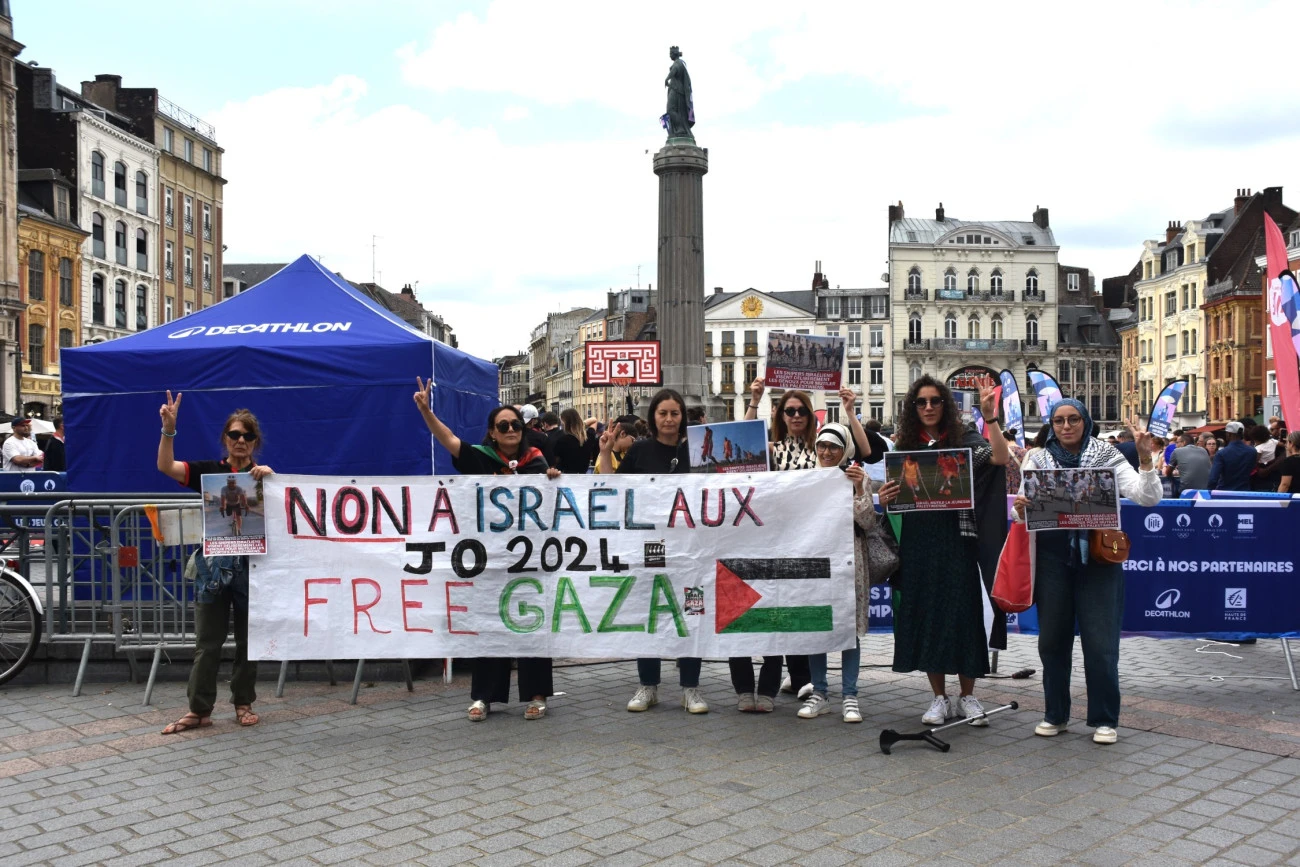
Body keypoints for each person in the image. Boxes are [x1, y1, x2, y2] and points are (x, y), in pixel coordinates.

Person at [1014, 404, 1161, 745]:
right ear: (1051, 425)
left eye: (1073, 419)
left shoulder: (1106, 455)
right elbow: (1022, 514)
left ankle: (1105, 718)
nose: (1066, 426)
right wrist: (1020, 509)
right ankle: (1056, 714)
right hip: (1053, 558)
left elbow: (1148, 497)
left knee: (1101, 643)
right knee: (1052, 641)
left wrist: (1145, 459)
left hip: (1099, 559)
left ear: (1085, 422)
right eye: (1059, 420)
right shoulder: (1037, 459)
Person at [416, 380, 558, 721]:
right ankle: (483, 696)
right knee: (488, 624)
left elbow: (553, 507)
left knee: (532, 624)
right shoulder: (479, 460)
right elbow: (450, 440)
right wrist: (426, 411)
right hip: (489, 559)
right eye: (503, 426)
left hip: (529, 559)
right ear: (492, 433)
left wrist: (555, 480)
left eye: (515, 425)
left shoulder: (537, 463)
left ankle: (536, 695)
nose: (511, 430)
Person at [877, 376, 1008, 727]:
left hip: (958, 538)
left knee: (963, 615)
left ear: (945, 404)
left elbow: (1000, 456)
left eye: (935, 401)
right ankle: (939, 697)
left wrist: (989, 417)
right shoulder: (904, 445)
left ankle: (968, 696)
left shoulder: (964, 439)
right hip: (919, 541)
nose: (929, 407)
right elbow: (893, 497)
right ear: (913, 408)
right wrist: (884, 498)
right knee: (927, 615)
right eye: (921, 402)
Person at [157, 394, 271, 733]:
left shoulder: (264, 477)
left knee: (249, 641)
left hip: (252, 568)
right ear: (225, 438)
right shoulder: (209, 472)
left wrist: (273, 479)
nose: (240, 441)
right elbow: (166, 466)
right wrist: (169, 430)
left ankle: (243, 702)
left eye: (247, 436)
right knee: (207, 642)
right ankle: (199, 708)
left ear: (255, 442)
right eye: (234, 435)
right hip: (213, 570)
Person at [600, 389, 707, 713]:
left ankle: (691, 688)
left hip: (691, 547)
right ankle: (648, 685)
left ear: (683, 417)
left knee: (692, 611)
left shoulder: (700, 450)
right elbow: (614, 490)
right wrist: (605, 454)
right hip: (652, 545)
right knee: (649, 612)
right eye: (663, 414)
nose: (669, 420)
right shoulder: (641, 450)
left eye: (675, 413)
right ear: (653, 417)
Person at [798, 423, 876, 723]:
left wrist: (858, 488)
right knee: (816, 627)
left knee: (849, 630)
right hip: (816, 562)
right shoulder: (807, 479)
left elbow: (867, 521)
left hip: (849, 562)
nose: (826, 452)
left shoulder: (858, 477)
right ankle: (820, 692)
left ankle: (850, 695)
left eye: (834, 446)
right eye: (822, 446)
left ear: (846, 449)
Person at [1208, 421, 1256, 492]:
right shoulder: (1252, 451)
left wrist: (1209, 492)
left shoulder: (1221, 453)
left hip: (1225, 492)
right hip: (1244, 491)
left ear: (1229, 434)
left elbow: (1213, 479)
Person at [551, 408, 592, 474]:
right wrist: (580, 424)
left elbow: (555, 462)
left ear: (566, 423)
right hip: (583, 476)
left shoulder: (562, 440)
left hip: (566, 477)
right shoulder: (588, 437)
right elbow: (594, 420)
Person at [1004, 429, 1026, 495]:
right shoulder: (1024, 451)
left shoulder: (1003, 451)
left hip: (1005, 483)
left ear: (1004, 438)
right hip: (1020, 483)